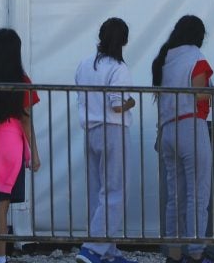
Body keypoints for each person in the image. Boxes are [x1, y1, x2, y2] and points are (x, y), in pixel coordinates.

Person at [152, 15, 214, 263]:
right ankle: (196, 252)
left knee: (174, 196)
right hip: (191, 125)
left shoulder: (165, 57)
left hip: (168, 129)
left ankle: (174, 253)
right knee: (197, 194)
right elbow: (200, 93)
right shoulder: (195, 57)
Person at [75, 18, 137, 263]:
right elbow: (117, 105)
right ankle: (92, 248)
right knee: (115, 190)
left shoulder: (84, 64)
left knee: (97, 191)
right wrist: (131, 102)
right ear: (124, 41)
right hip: (113, 130)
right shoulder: (119, 68)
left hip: (90, 130)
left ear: (100, 36)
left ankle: (107, 252)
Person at [0, 28, 40, 263]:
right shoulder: (22, 80)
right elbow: (25, 118)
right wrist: (34, 153)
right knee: (3, 204)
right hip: (9, 141)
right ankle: (0, 258)